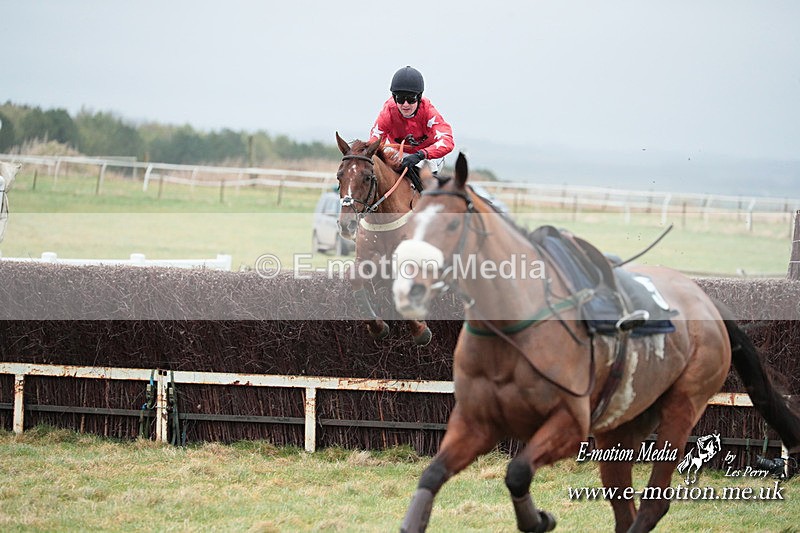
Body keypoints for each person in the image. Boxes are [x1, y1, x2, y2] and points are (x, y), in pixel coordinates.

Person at [368, 66, 454, 190]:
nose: (405, 105)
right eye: (400, 99)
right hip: (398, 152)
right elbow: (374, 142)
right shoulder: (388, 112)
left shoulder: (429, 113)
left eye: (411, 99)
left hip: (427, 155)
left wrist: (421, 154)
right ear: (394, 97)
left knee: (428, 183)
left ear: (419, 98)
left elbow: (447, 141)